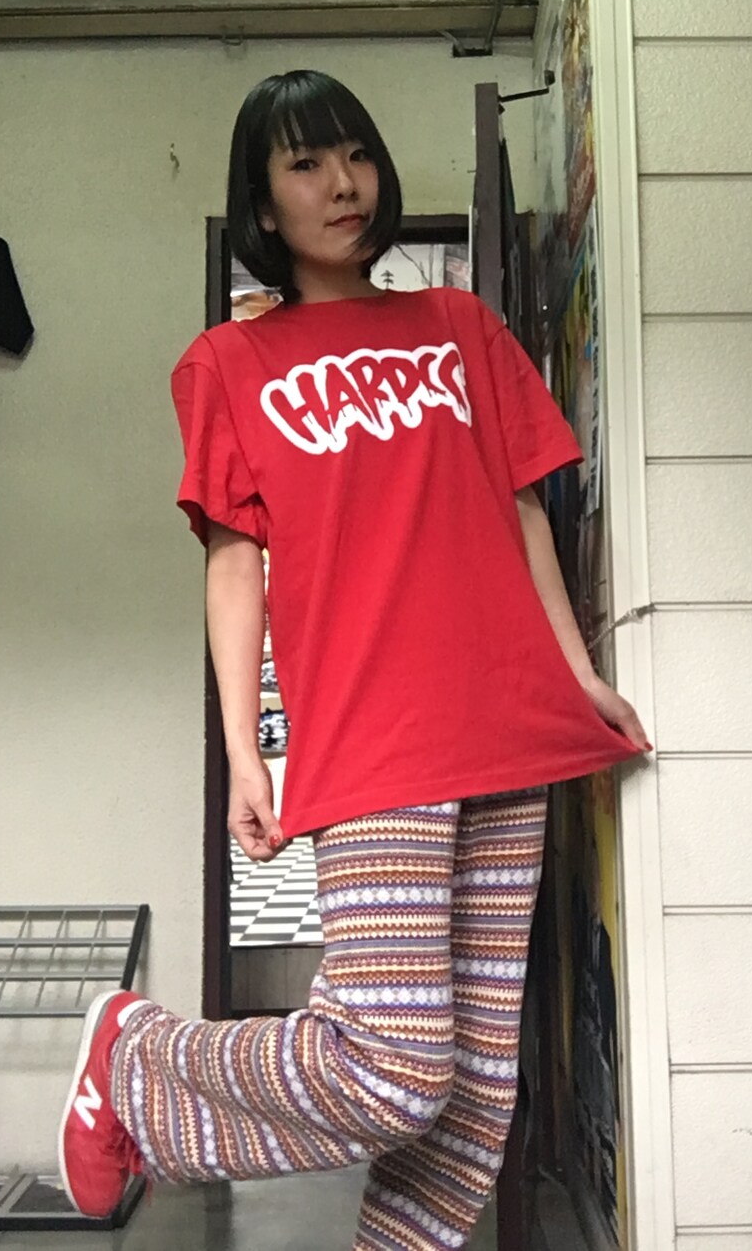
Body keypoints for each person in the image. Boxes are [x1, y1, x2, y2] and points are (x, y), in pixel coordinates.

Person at [58, 69, 651, 1249]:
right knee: (393, 1069)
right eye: (306, 163)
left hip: (509, 721)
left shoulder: (462, 327)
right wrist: (246, 751)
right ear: (261, 203)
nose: (343, 183)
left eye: (357, 155)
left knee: (472, 1102)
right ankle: (136, 1053)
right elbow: (234, 562)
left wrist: (577, 670)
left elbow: (521, 507)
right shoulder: (226, 362)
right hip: (377, 731)